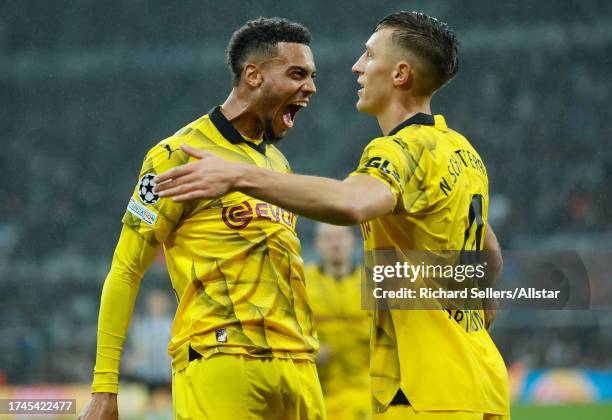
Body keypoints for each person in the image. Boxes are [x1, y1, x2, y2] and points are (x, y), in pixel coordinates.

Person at [154, 11, 510, 419]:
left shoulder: (398, 150)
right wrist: (477, 308)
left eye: (369, 55)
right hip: (482, 377)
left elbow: (351, 202)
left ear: (400, 74)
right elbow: (490, 252)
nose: (357, 66)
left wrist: (238, 175)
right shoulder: (462, 152)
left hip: (425, 389)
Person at [78, 17, 324, 420]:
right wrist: (105, 387)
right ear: (253, 75)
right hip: (220, 354)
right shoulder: (176, 154)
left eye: (312, 76)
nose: (311, 87)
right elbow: (125, 269)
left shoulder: (278, 165)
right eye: (297, 74)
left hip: (299, 368)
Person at [305, 224, 371, 419]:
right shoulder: (301, 282)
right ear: (317, 244)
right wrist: (309, 348)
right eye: (328, 238)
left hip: (364, 390)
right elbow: (287, 332)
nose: (335, 244)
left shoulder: (372, 283)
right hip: (318, 391)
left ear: (352, 241)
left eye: (341, 237)